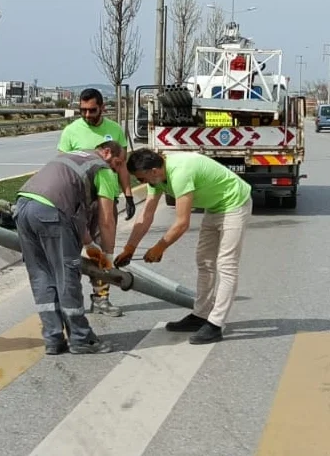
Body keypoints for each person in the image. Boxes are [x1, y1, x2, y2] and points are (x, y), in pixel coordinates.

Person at [116, 149, 253, 345]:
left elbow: (181, 223)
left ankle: (216, 324)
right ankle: (201, 315)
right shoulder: (156, 178)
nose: (142, 182)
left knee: (226, 265)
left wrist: (159, 247)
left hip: (235, 204)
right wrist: (130, 248)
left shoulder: (180, 173)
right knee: (204, 262)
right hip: (215, 207)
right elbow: (147, 214)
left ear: (153, 171)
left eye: (142, 178)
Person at [13, 140, 126, 355]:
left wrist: (89, 245)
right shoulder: (102, 169)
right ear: (107, 153)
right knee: (67, 276)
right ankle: (81, 338)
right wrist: (108, 257)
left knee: (41, 275)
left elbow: (75, 211)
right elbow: (106, 221)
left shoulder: (73, 158)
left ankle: (53, 339)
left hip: (23, 207)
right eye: (118, 163)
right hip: (52, 213)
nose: (117, 169)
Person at [58, 87, 136, 317]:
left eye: (92, 110)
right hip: (78, 201)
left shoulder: (115, 130)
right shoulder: (71, 132)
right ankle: (71, 300)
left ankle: (101, 298)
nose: (87, 115)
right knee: (72, 249)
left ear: (102, 107)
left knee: (103, 247)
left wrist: (128, 195)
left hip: (105, 198)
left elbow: (121, 166)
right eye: (82, 110)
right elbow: (62, 166)